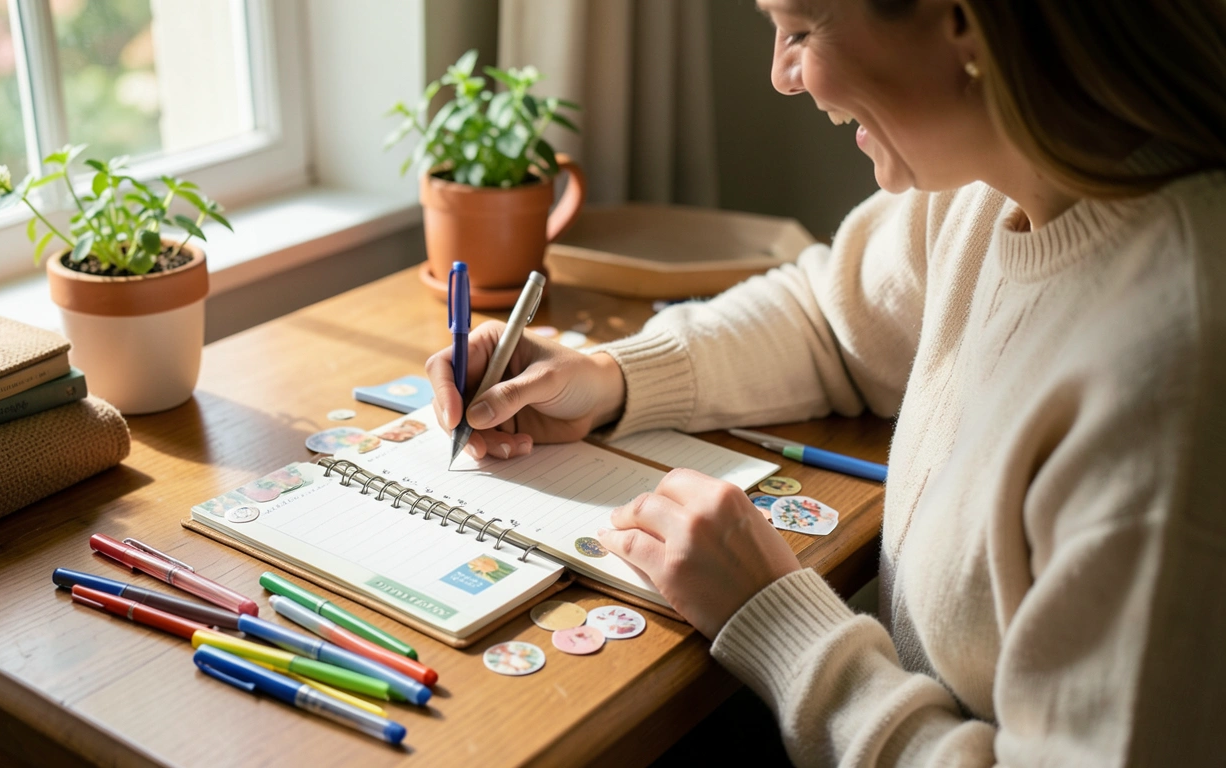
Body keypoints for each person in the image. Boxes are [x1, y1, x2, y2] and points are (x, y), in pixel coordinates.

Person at [426, 0, 1226, 764]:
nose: (782, 74)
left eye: (802, 29)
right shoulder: (998, 182)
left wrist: (779, 621)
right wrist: (609, 377)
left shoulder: (1172, 377)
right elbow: (829, 315)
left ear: (963, 22)